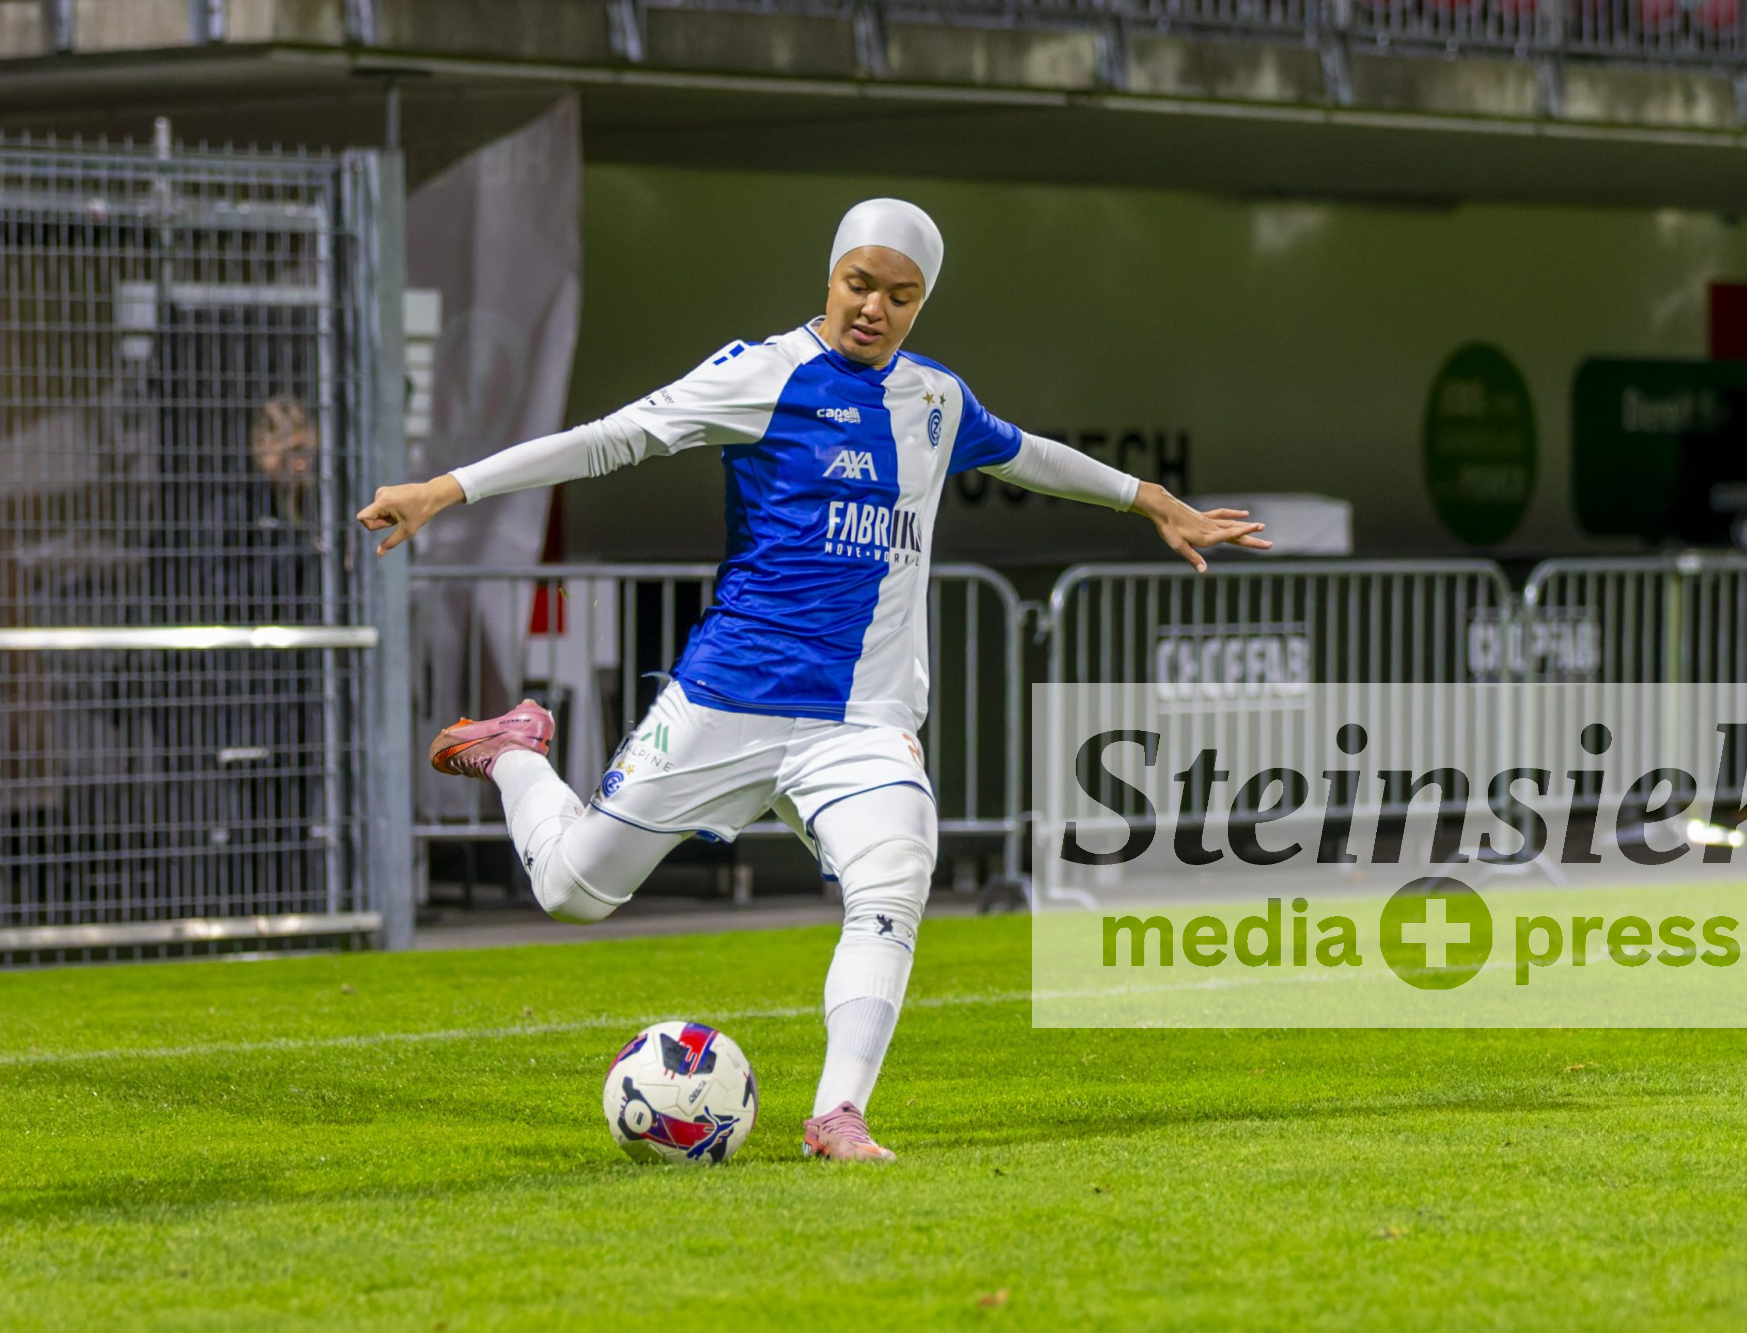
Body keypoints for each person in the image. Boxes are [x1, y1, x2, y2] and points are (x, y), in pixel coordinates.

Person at [356, 199, 1270, 1161]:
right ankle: (514, 752)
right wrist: (443, 489)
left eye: (900, 295)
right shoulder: (762, 373)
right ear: (831, 277)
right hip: (729, 698)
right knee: (574, 891)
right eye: (859, 284)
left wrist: (1149, 499)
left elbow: (1025, 453)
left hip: (863, 720)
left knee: (894, 879)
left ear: (922, 302)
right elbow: (609, 438)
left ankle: (838, 1114)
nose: (874, 307)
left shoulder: (936, 400)